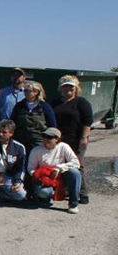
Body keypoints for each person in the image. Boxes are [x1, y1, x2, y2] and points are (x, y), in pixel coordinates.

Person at [51, 75, 92, 204]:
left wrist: (84, 137)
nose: (68, 89)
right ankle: (63, 190)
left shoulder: (82, 102)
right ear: (60, 88)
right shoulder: (56, 102)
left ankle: (82, 193)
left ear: (76, 88)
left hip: (76, 139)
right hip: (58, 140)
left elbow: (87, 121)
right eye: (65, 86)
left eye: (71, 86)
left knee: (77, 165)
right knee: (59, 164)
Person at [27, 127, 82, 214]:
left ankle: (73, 204)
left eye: (49, 137)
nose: (46, 139)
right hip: (44, 177)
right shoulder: (36, 150)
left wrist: (58, 168)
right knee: (44, 193)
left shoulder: (64, 147)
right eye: (44, 136)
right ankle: (43, 198)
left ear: (57, 139)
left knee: (75, 173)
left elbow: (75, 163)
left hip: (60, 176)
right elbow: (31, 169)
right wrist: (39, 177)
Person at [9, 81, 57, 154]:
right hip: (20, 140)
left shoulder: (44, 106)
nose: (26, 93)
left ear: (36, 92)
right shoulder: (19, 106)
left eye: (28, 91)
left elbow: (52, 125)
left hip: (38, 141)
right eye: (24, 90)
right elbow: (12, 122)